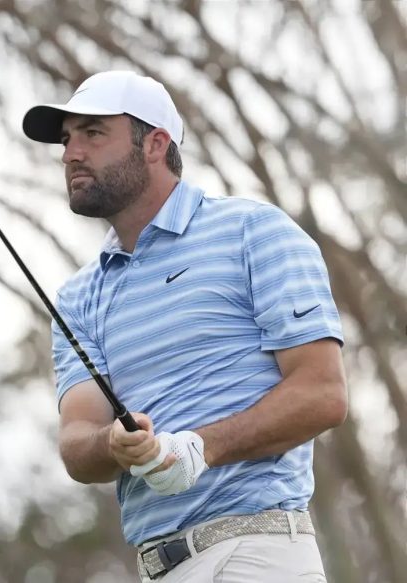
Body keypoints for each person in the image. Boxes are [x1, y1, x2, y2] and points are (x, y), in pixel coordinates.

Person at [22, 70, 347, 583]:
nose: (71, 154)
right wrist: (111, 443)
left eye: (93, 133)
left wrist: (200, 447)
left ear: (155, 144)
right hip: (159, 568)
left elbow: (323, 393)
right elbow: (78, 442)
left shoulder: (253, 232)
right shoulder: (78, 298)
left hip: (257, 554)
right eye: (66, 140)